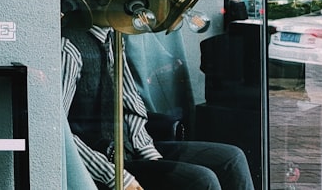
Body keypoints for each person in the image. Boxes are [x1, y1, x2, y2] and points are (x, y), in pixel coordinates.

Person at [62, 24, 255, 190]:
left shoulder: (113, 37)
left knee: (233, 158)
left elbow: (130, 103)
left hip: (128, 150)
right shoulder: (69, 46)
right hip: (101, 160)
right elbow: (59, 131)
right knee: (202, 180)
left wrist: (148, 152)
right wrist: (113, 175)